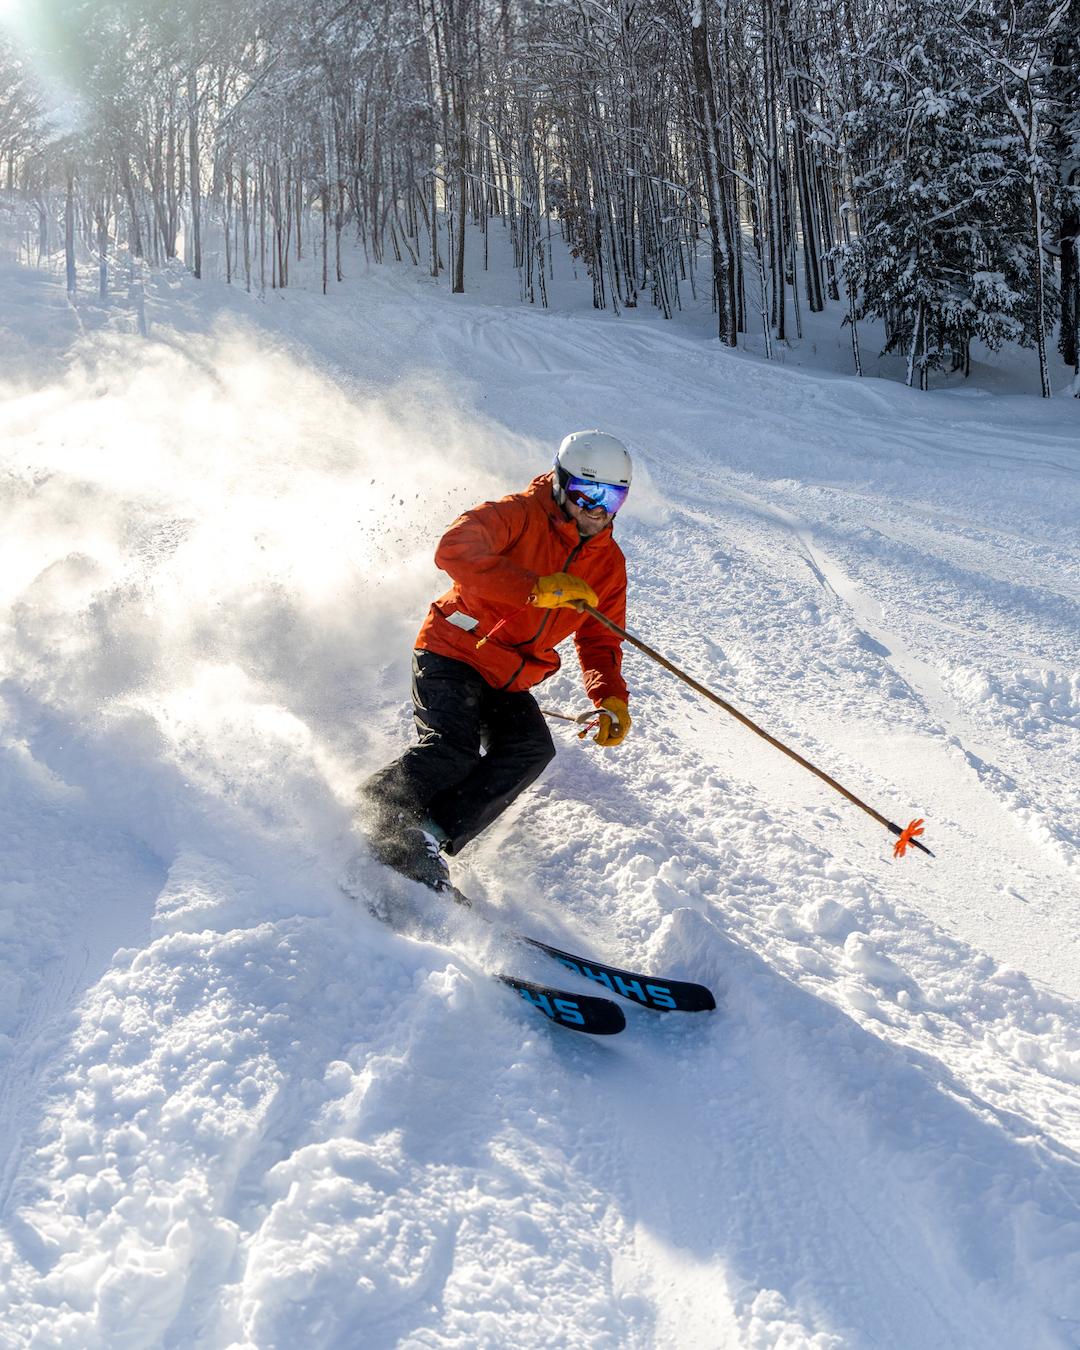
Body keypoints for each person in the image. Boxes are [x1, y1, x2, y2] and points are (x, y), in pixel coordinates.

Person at [359, 429, 634, 889]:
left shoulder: (608, 565)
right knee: (452, 748)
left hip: (507, 677)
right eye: (588, 493)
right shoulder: (518, 515)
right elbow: (453, 549)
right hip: (452, 650)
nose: (596, 510)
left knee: (529, 749)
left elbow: (599, 640)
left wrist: (610, 699)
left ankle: (424, 837)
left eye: (612, 499)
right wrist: (533, 587)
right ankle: (366, 818)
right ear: (563, 483)